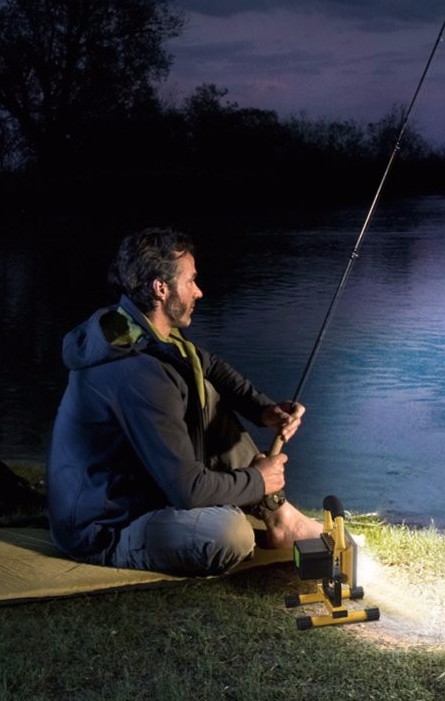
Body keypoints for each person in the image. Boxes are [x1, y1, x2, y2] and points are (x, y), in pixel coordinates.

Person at [47, 227, 321, 575]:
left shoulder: (138, 331)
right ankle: (242, 511)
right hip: (103, 528)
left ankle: (281, 518)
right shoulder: (136, 371)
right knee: (231, 535)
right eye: (191, 281)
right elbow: (187, 490)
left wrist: (264, 410)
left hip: (142, 489)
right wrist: (257, 480)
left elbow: (211, 367)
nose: (199, 291)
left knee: (202, 387)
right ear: (160, 289)